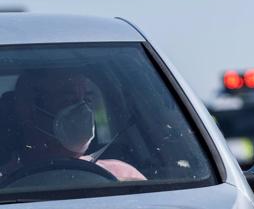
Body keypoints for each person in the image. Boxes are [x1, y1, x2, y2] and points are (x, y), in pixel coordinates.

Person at [0, 69, 145, 183]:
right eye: (70, 99)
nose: (83, 109)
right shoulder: (5, 182)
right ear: (29, 111)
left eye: (87, 99)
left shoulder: (123, 175)